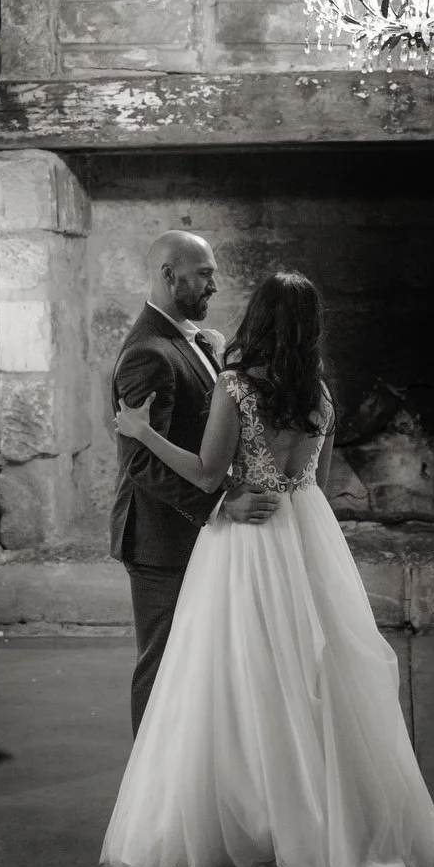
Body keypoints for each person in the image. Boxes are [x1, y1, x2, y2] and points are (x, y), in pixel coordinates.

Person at [101, 270, 434, 867]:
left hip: (245, 543)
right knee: (313, 673)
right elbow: (314, 482)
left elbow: (210, 473)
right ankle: (328, 817)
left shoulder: (237, 388)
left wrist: (143, 432)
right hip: (306, 536)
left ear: (259, 320)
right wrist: (282, 492)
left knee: (238, 675)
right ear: (309, 328)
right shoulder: (320, 396)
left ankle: (252, 817)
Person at [111, 231, 281, 737]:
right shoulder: (149, 353)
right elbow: (140, 461)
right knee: (163, 666)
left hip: (189, 534)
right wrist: (221, 503)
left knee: (197, 666)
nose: (214, 283)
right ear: (169, 275)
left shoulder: (193, 341)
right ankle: (148, 797)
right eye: (204, 273)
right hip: (161, 539)